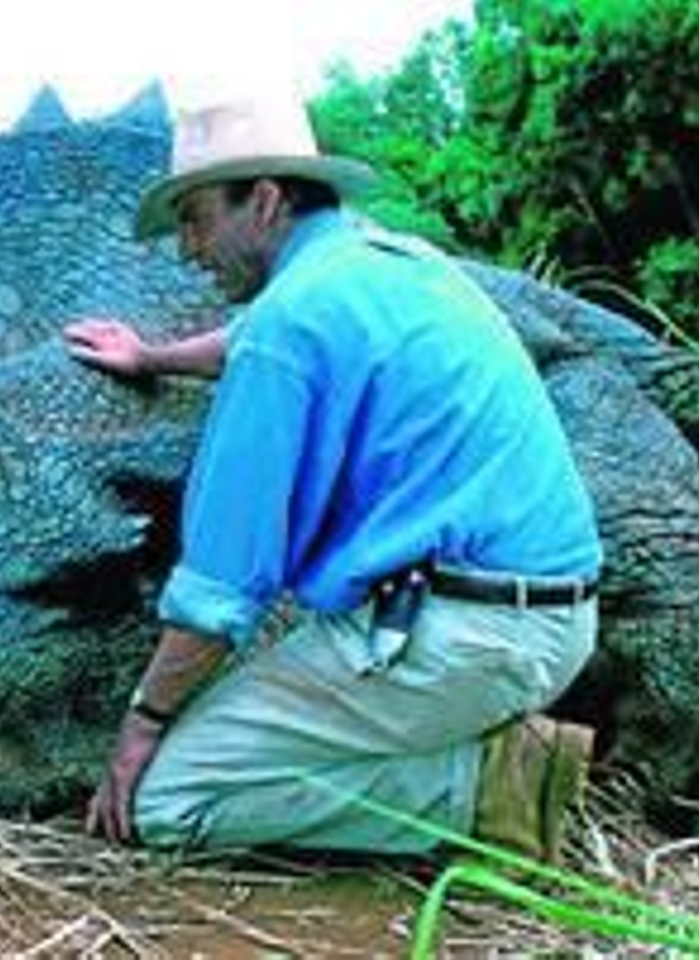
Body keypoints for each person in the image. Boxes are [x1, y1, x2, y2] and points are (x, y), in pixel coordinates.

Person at [65, 99, 602, 863]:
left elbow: (221, 589)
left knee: (172, 800)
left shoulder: (288, 327)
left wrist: (142, 724)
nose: (187, 249)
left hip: (468, 639)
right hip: (552, 620)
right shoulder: (390, 262)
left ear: (266, 200)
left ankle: (488, 788)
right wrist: (153, 358)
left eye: (195, 219)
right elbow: (258, 333)